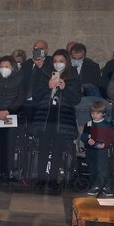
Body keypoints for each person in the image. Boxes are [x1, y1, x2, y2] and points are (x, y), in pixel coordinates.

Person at [28, 50, 81, 192]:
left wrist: (64, 88)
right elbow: (36, 96)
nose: (58, 64)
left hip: (62, 119)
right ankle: (40, 179)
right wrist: (48, 86)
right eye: (56, 61)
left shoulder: (73, 76)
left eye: (61, 61)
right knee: (43, 148)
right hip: (46, 117)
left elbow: (76, 99)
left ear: (66, 62)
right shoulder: (45, 74)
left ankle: (53, 180)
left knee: (57, 149)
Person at [0, 56, 25, 182]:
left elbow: (20, 99)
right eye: (1, 66)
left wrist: (8, 111)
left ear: (13, 68)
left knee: (8, 145)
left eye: (7, 66)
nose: (4, 69)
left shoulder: (20, 81)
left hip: (11, 117)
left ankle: (7, 171)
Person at [80, 100, 114, 196]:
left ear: (103, 114)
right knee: (92, 168)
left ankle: (105, 186)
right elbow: (83, 136)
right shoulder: (89, 124)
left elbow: (111, 137)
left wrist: (105, 144)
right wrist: (88, 140)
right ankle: (95, 186)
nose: (95, 115)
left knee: (102, 168)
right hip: (90, 150)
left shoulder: (107, 125)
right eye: (93, 113)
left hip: (102, 150)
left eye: (98, 113)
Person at [69, 42, 103, 130]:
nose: (76, 60)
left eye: (79, 58)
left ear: (84, 56)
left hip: (86, 99)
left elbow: (98, 86)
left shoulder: (93, 67)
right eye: (74, 58)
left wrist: (84, 89)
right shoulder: (66, 66)